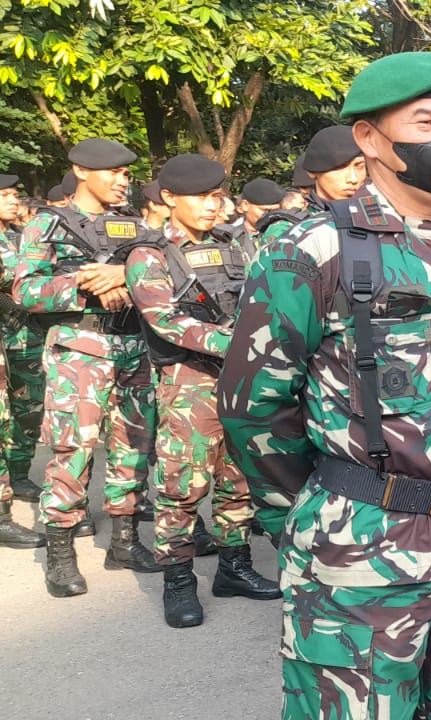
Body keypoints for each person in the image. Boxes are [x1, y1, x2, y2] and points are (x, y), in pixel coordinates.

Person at [218, 52, 431, 718]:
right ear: (371, 139)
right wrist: (300, 515)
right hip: (362, 547)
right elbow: (252, 405)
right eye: (427, 119)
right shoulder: (315, 249)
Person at [125, 154, 279, 628]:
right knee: (182, 488)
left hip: (240, 381)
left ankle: (234, 568)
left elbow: (262, 296)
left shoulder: (238, 247)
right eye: (201, 197)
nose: (213, 206)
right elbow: (164, 319)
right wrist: (236, 341)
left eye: (217, 196)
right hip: (188, 382)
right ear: (169, 198)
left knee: (237, 478)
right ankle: (178, 581)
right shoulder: (148, 256)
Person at [15, 138, 160, 597]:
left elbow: (166, 272)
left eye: (126, 174)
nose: (124, 182)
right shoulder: (46, 225)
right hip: (81, 346)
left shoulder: (134, 226)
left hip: (135, 343)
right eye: (114, 173)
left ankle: (124, 541)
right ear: (81, 170)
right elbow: (25, 291)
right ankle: (60, 553)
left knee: (133, 445)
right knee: (73, 449)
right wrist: (82, 285)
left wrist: (126, 275)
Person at [0, 172, 42, 550]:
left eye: (15, 195)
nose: (14, 201)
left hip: (25, 340)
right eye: (6, 195)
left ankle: (19, 474)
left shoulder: (15, 237)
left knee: (26, 411)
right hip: (7, 337)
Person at [300, 125, 366, 208]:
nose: (353, 179)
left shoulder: (379, 217)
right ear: (312, 172)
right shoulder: (299, 221)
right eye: (340, 167)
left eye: (360, 166)